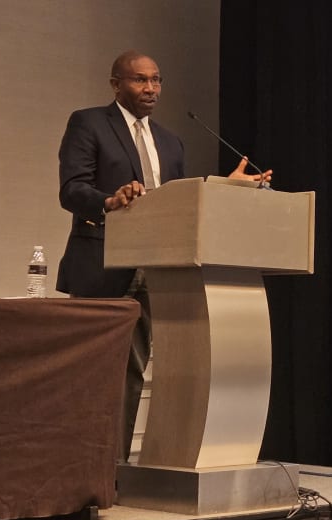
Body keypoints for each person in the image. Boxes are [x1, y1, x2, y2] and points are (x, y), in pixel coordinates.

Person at [56, 50, 271, 460]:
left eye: (156, 80)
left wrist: (226, 188)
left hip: (156, 267)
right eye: (140, 80)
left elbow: (178, 203)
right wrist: (110, 201)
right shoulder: (89, 123)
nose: (151, 88)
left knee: (133, 372)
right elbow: (72, 189)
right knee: (92, 371)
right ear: (116, 83)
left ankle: (113, 468)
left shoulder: (171, 141)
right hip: (103, 262)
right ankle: (77, 465)